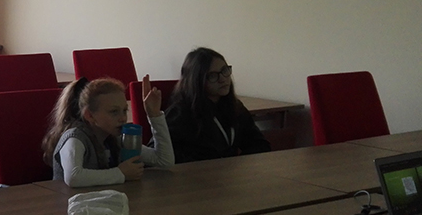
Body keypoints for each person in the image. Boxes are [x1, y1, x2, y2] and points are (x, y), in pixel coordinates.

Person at [42, 76, 174, 187]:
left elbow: (164, 161)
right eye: (114, 112)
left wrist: (154, 115)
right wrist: (120, 173)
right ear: (90, 115)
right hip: (69, 206)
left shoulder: (115, 137)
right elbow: (73, 177)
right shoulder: (75, 138)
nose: (123, 118)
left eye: (124, 110)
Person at [165, 47, 271, 163]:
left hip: (230, 172)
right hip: (197, 173)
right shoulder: (180, 113)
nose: (223, 79)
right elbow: (161, 155)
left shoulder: (235, 107)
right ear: (196, 80)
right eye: (212, 75)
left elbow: (259, 144)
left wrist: (237, 165)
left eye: (224, 70)